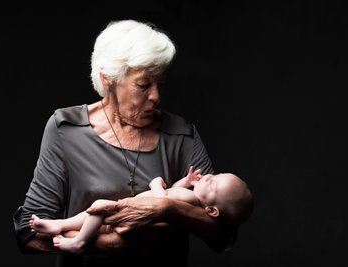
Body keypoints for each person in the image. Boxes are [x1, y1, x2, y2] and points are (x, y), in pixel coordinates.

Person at [13, 19, 253, 267]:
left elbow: (222, 230)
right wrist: (111, 245)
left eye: (161, 84)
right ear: (108, 79)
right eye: (144, 85)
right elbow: (28, 233)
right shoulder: (67, 129)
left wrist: (166, 209)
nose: (156, 97)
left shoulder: (182, 136)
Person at [28, 167, 253, 254]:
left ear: (213, 211)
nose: (210, 177)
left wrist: (156, 184)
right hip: (128, 210)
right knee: (93, 213)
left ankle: (80, 242)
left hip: (131, 219)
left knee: (98, 210)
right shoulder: (193, 196)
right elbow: (174, 193)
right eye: (217, 174)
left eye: (213, 183)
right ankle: (60, 224)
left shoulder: (192, 202)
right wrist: (185, 181)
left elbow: (162, 202)